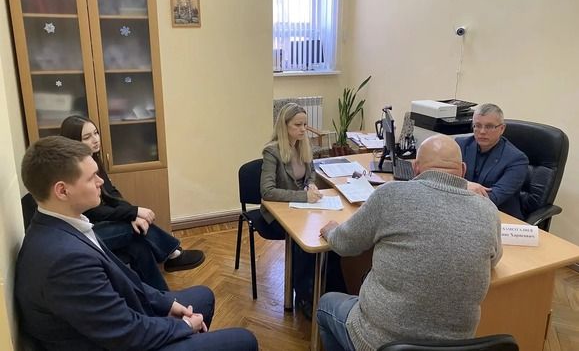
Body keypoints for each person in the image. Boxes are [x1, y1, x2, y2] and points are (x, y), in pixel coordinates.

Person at [16, 136, 258, 351]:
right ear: (62, 191)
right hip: (119, 341)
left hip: (118, 325)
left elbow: (125, 279)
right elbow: (126, 335)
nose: (100, 182)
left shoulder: (63, 224)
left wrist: (168, 304)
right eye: (91, 178)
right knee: (244, 340)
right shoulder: (65, 261)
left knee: (203, 296)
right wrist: (184, 326)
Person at [317, 134, 502, 351]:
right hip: (458, 346)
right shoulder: (488, 210)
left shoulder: (390, 194)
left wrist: (330, 230)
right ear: (463, 170)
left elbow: (344, 245)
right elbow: (494, 259)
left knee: (326, 304)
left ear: (415, 167)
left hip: (380, 342)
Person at [60, 115, 204, 290]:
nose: (95, 139)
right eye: (87, 137)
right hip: (81, 235)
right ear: (73, 142)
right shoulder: (72, 172)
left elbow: (112, 194)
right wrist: (132, 213)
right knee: (133, 229)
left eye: (96, 133)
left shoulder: (93, 160)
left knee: (138, 246)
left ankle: (161, 298)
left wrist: (132, 213)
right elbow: (93, 211)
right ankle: (172, 254)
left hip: (98, 225)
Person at [260, 102, 345, 319]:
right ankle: (305, 295)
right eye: (297, 125)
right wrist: (303, 196)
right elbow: (267, 191)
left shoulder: (303, 145)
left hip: (304, 208)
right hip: (278, 212)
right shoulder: (272, 151)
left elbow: (311, 172)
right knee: (303, 243)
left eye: (305, 124)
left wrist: (311, 184)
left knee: (329, 238)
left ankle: (333, 293)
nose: (303, 129)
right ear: (284, 125)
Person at [456, 103, 529, 219]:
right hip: (462, 212)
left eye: (489, 126)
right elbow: (443, 178)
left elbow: (493, 198)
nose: (482, 131)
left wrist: (460, 187)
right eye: (477, 125)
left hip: (498, 216)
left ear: (502, 129)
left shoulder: (517, 159)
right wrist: (466, 185)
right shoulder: (460, 145)